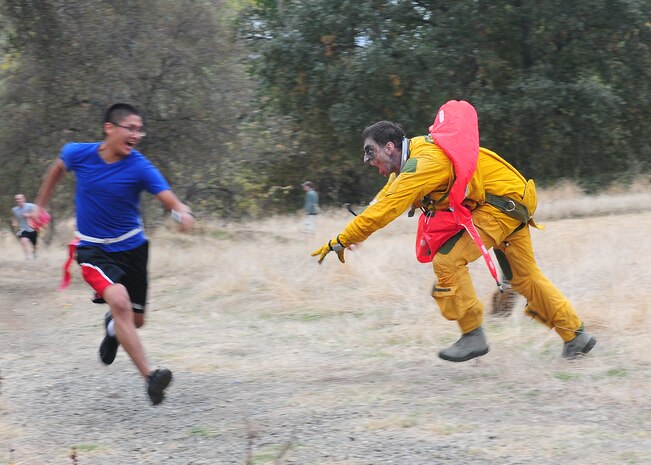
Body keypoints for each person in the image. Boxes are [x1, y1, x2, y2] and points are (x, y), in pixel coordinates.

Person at [311, 111, 596, 362]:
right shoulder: (415, 155)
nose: (366, 159)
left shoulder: (423, 164)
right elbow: (388, 194)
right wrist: (359, 229)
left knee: (448, 262)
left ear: (389, 147)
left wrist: (344, 238)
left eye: (369, 151)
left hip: (500, 207)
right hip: (513, 200)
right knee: (525, 278)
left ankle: (473, 335)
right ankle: (576, 337)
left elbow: (390, 206)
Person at [34, 103, 195, 404]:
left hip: (133, 248)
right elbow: (57, 167)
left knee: (136, 319)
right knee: (119, 301)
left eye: (139, 130)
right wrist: (40, 205)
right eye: (130, 128)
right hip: (93, 249)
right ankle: (150, 378)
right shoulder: (78, 153)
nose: (136, 135)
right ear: (110, 128)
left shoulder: (140, 166)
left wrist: (181, 210)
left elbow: (167, 196)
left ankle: (112, 329)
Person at [11, 194, 39, 259]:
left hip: (33, 228)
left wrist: (28, 215)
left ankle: (35, 253)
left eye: (19, 199)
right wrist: (14, 222)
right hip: (23, 229)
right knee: (23, 241)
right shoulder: (14, 210)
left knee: (34, 245)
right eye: (17, 199)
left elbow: (36, 214)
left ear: (24, 199)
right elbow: (15, 217)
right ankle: (28, 257)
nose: (18, 200)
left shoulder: (31, 206)